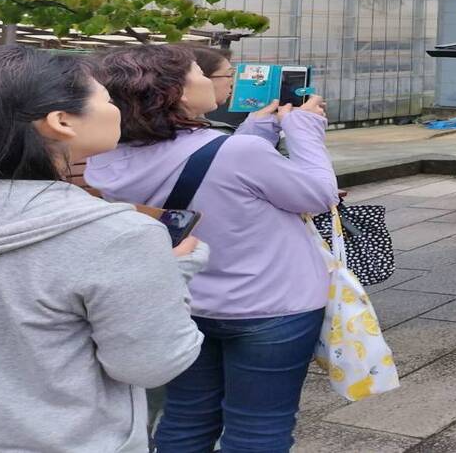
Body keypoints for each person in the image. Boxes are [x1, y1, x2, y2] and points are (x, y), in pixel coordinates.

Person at [0, 46, 205, 453]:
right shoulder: (118, 236)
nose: (118, 108)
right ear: (60, 122)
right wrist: (174, 273)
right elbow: (153, 364)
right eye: (107, 99)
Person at [86, 44, 340, 453]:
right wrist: (305, 131)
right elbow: (318, 194)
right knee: (259, 427)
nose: (214, 80)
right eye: (200, 74)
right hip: (272, 305)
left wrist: (254, 132)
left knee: (186, 417)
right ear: (179, 93)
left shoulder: (108, 161)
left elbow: (207, 176)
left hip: (186, 300)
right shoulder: (238, 152)